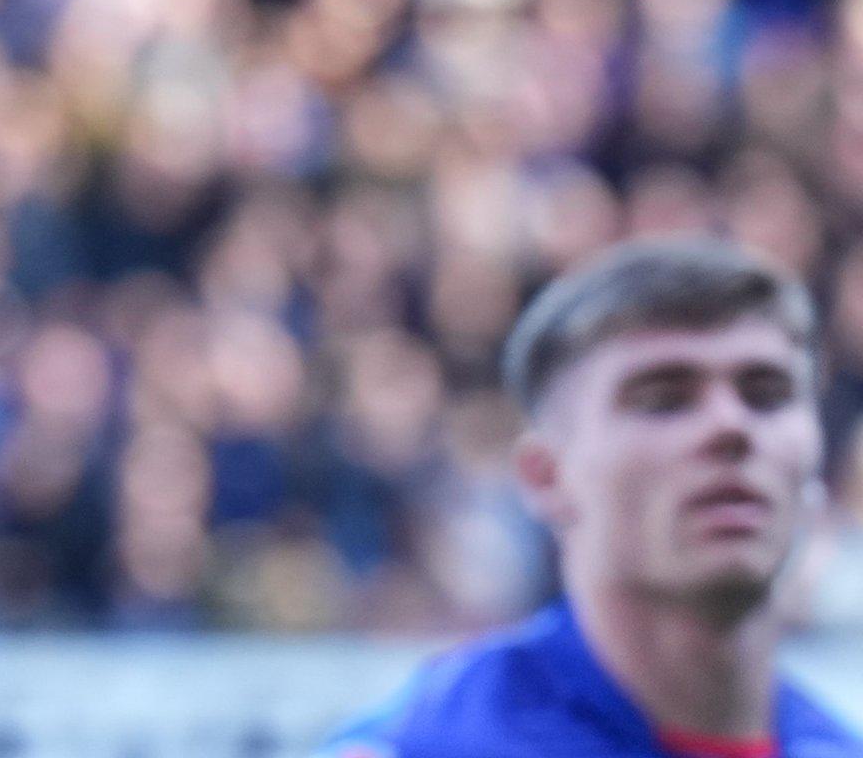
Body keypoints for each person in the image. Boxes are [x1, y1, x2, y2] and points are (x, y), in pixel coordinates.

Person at [316, 238, 862, 758]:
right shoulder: (431, 746)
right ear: (545, 477)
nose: (732, 426)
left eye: (767, 394)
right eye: (664, 399)